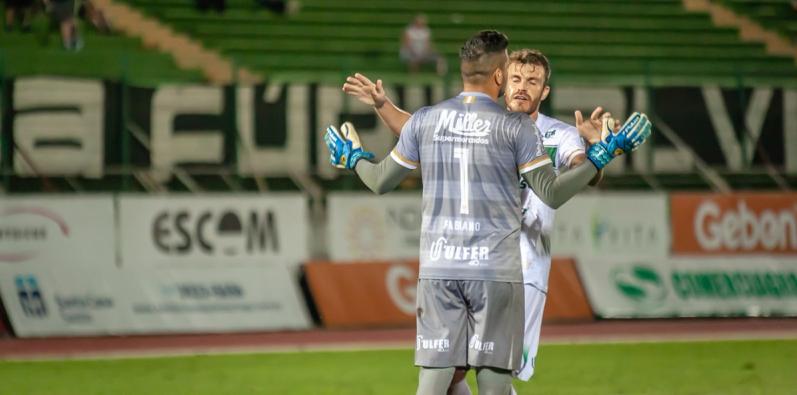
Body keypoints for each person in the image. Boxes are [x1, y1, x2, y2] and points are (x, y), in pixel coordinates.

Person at [324, 30, 651, 395]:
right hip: (496, 269)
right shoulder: (513, 127)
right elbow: (554, 190)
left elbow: (393, 163)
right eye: (515, 76)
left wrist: (354, 158)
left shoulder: (442, 119)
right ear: (501, 77)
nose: (522, 85)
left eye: (533, 81)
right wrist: (602, 153)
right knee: (483, 381)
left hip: (471, 269)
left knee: (444, 380)